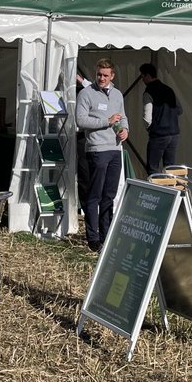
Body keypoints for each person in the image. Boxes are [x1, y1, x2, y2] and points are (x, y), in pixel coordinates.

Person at [75, 58, 128, 252]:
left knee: (109, 195)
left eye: (106, 75)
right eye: (99, 74)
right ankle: (93, 237)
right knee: (94, 195)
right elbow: (80, 120)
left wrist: (125, 130)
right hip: (97, 149)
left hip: (115, 149)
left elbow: (123, 117)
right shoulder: (86, 94)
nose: (102, 78)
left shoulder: (117, 95)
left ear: (112, 76)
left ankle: (107, 235)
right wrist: (106, 121)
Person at [139, 63, 183, 175]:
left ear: (148, 76)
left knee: (153, 169)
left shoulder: (148, 92)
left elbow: (147, 117)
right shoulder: (169, 90)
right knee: (170, 168)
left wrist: (151, 128)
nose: (142, 79)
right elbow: (179, 109)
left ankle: (156, 192)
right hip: (174, 134)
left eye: (142, 76)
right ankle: (171, 191)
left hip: (158, 135)